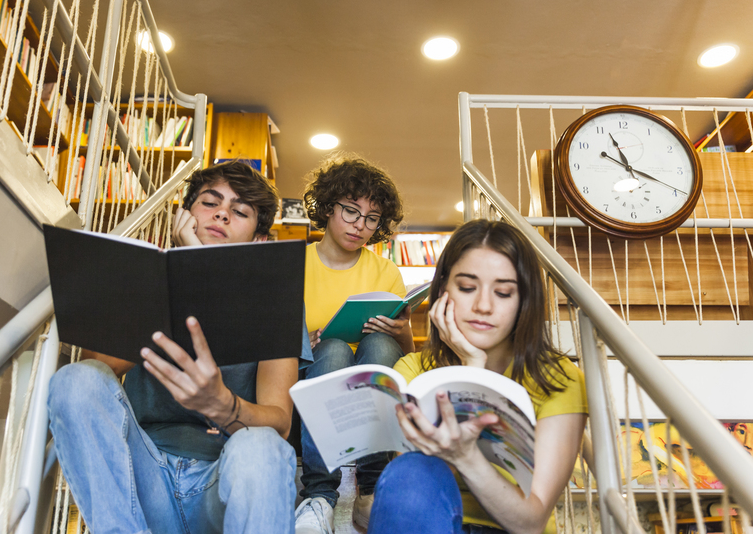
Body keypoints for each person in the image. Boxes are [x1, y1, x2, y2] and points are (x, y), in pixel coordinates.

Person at [48, 161, 310, 534]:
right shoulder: (144, 281)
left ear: (258, 242)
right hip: (145, 477)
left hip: (221, 483)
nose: (222, 213)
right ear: (184, 215)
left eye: (239, 212)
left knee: (263, 448)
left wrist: (221, 404)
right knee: (75, 378)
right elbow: (95, 377)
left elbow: (280, 422)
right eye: (210, 203)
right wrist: (186, 277)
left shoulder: (275, 298)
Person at [367, 219, 588, 534]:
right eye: (468, 288)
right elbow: (410, 490)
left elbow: (531, 522)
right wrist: (470, 367)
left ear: (524, 300)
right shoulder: (412, 370)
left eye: (503, 292)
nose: (483, 306)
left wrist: (467, 457)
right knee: (412, 470)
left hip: (510, 528)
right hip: (433, 523)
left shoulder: (559, 379)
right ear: (443, 291)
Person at [295, 153, 411, 534]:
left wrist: (396, 330)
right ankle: (320, 494)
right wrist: (299, 340)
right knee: (332, 349)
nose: (360, 225)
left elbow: (406, 353)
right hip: (310, 383)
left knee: (377, 344)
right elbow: (271, 344)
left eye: (371, 218)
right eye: (350, 211)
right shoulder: (294, 263)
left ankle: (371, 488)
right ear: (328, 208)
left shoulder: (385, 270)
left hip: (367, 384)